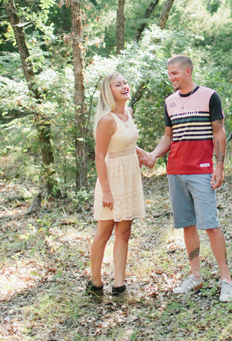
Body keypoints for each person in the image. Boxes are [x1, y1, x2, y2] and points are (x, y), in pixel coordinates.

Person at [146, 55, 232, 302]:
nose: (171, 77)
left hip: (202, 170)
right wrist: (153, 155)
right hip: (176, 171)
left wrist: (220, 165)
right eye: (169, 73)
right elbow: (168, 137)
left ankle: (226, 280)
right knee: (187, 224)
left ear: (187, 71)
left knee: (211, 225)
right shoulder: (170, 102)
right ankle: (195, 276)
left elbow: (219, 132)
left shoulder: (209, 96)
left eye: (174, 73)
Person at [87, 72, 152, 300]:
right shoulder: (106, 120)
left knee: (124, 231)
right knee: (104, 232)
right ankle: (95, 284)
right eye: (118, 84)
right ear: (109, 91)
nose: (125, 86)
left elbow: (126, 141)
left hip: (130, 177)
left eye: (125, 82)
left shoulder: (129, 113)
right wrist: (106, 191)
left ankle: (119, 286)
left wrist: (141, 152)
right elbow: (99, 156)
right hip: (111, 179)